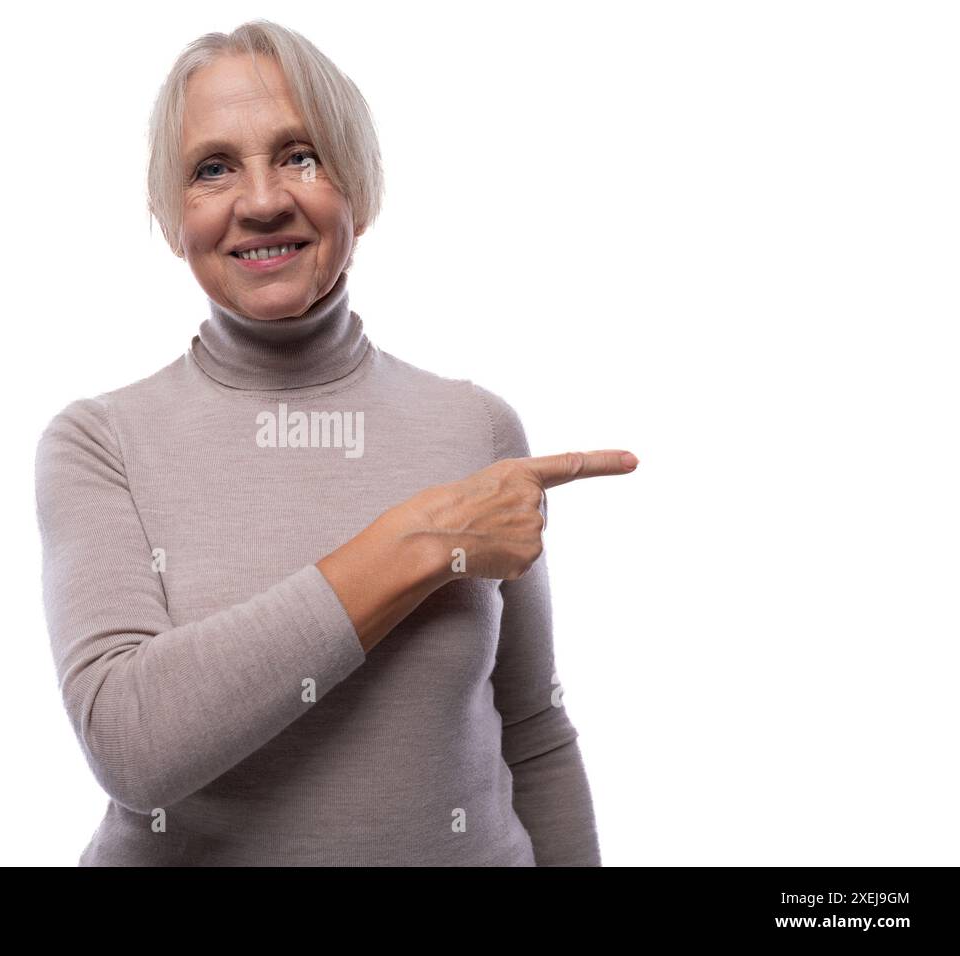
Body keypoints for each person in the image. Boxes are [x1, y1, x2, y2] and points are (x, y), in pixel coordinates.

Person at [33, 18, 639, 866]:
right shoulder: (100, 443)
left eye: (301, 155)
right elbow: (135, 745)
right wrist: (417, 544)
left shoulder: (478, 430)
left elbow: (532, 731)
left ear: (358, 184)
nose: (262, 200)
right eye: (213, 168)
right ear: (174, 219)